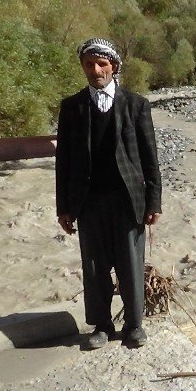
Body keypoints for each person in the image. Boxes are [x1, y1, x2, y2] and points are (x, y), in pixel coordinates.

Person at [55, 38, 161, 349]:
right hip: (88, 201)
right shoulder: (72, 108)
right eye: (89, 64)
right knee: (94, 265)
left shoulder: (136, 105)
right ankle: (101, 325)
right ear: (83, 68)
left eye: (102, 64)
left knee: (130, 264)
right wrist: (64, 207)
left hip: (129, 200)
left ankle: (134, 325)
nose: (95, 70)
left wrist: (154, 201)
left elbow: (149, 156)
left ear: (113, 66)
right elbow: (64, 162)